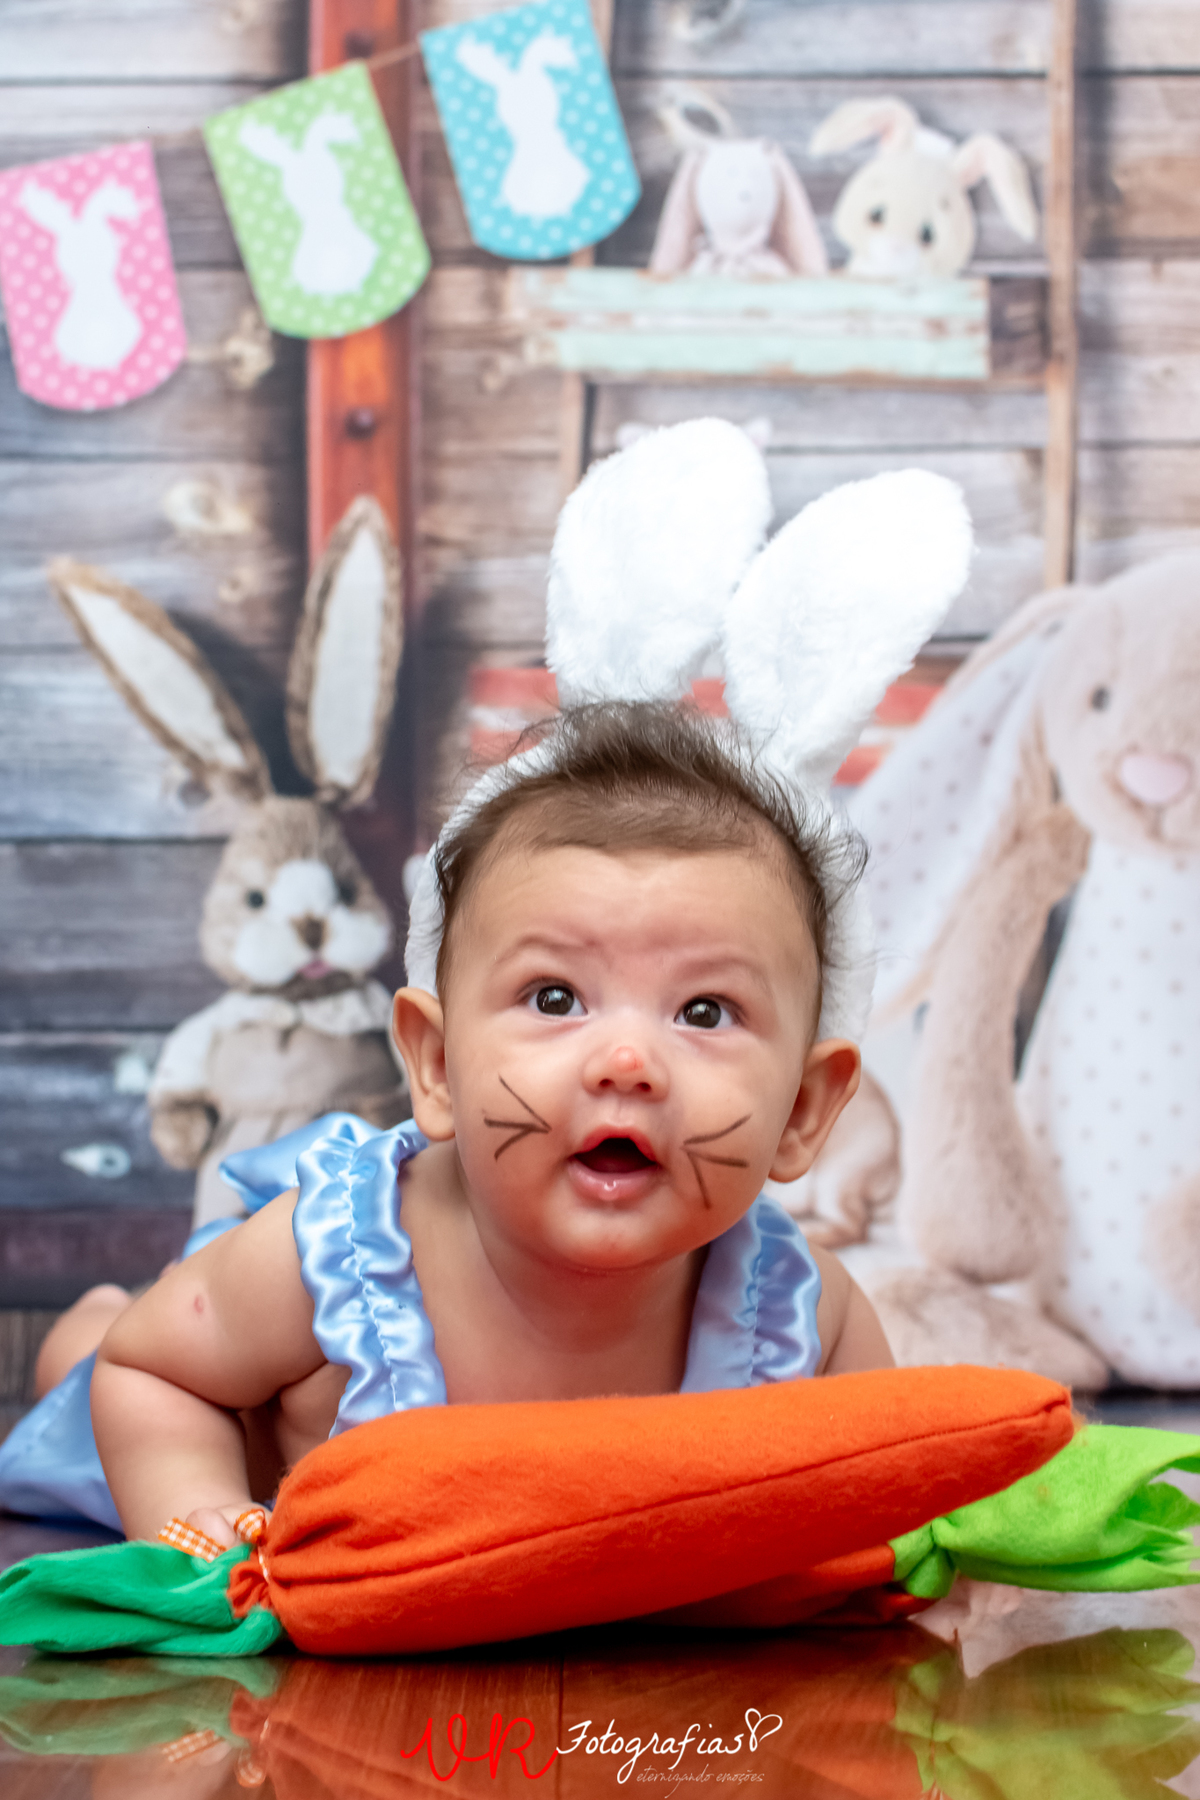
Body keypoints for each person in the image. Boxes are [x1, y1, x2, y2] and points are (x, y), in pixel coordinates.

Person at [3, 419, 973, 1547]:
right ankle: (84, 1322)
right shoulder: (341, 1252)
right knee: (108, 1362)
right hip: (222, 1412)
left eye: (705, 1011)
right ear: (434, 1064)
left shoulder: (799, 1318)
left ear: (803, 1109)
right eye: (555, 998)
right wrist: (202, 1522)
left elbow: (873, 1495)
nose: (626, 1062)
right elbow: (158, 1377)